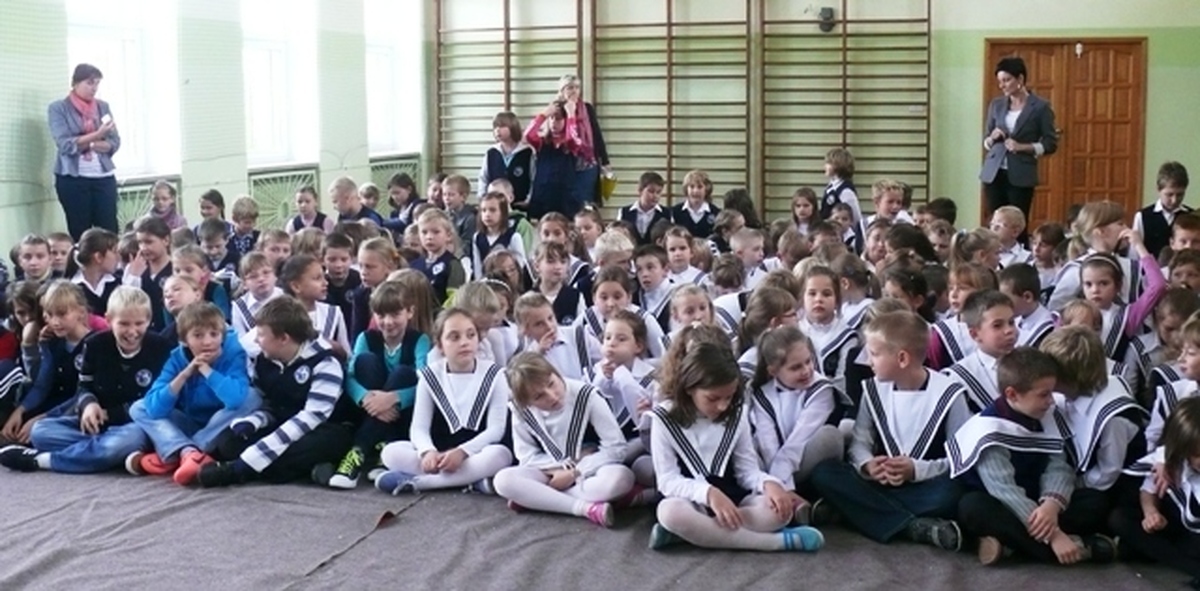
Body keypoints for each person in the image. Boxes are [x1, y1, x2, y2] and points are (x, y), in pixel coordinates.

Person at [808, 311, 970, 552]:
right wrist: (868, 465)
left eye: (874, 354)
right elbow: (860, 442)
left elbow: (960, 460)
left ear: (902, 358)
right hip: (879, 482)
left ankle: (853, 511)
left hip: (925, 484)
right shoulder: (873, 389)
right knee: (824, 473)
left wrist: (915, 470)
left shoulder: (950, 394)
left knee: (953, 493)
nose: (868, 361)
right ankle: (912, 527)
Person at [649, 334, 824, 551]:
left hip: (735, 500)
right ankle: (775, 543)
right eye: (713, 398)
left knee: (778, 512)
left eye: (729, 397)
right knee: (670, 512)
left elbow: (747, 471)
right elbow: (667, 480)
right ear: (689, 389)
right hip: (688, 501)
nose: (723, 406)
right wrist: (708, 493)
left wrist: (769, 483)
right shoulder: (664, 418)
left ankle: (694, 533)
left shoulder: (736, 414)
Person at [952, 347, 1116, 566]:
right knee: (972, 507)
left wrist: (1051, 505)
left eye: (1051, 392)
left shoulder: (1045, 414)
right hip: (1006, 504)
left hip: (1041, 501)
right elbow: (1005, 491)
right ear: (1012, 394)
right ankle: (1080, 548)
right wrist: (1055, 535)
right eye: (1043, 394)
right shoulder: (989, 429)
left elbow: (1059, 466)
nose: (1051, 401)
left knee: (1095, 501)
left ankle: (1010, 545)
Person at [0, 287, 172, 474]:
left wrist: (109, 414)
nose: (132, 331)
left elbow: (155, 400)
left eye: (139, 323)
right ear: (108, 320)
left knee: (130, 439)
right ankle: (108, 455)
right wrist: (89, 404)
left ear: (149, 320)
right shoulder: (95, 344)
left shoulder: (161, 348)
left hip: (133, 424)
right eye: (123, 324)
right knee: (40, 431)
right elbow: (84, 386)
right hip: (94, 424)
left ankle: (42, 460)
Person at [197, 296, 353, 487]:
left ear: (283, 339)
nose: (256, 340)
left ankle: (244, 471)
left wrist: (243, 465)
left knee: (318, 445)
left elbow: (311, 418)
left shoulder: (326, 364)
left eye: (261, 334)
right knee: (229, 442)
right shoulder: (264, 361)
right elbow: (269, 406)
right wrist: (255, 421)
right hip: (283, 423)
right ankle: (305, 469)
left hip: (322, 428)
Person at [374, 308, 513, 494]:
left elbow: (496, 429)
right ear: (440, 345)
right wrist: (428, 452)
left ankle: (421, 483)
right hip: (440, 452)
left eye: (470, 335)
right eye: (454, 337)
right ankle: (472, 481)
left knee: (500, 455)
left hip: (476, 452)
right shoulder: (430, 376)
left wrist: (462, 452)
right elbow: (419, 428)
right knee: (390, 452)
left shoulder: (494, 375)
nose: (464, 342)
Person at [493, 352, 634, 527]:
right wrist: (558, 469)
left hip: (592, 470)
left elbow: (616, 447)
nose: (552, 396)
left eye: (551, 384)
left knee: (621, 478)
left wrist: (576, 471)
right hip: (551, 471)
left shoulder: (585, 395)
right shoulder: (520, 410)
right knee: (503, 480)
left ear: (556, 373)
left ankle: (538, 499)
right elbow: (526, 456)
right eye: (539, 396)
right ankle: (585, 508)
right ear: (527, 402)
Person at [127, 302, 257, 486]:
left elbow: (235, 399)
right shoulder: (176, 358)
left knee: (252, 397)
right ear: (184, 340)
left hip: (220, 425)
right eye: (198, 335)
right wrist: (185, 373)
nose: (207, 342)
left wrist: (207, 371)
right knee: (139, 407)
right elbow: (155, 409)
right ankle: (189, 452)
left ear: (222, 335)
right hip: (189, 423)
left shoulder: (233, 351)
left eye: (214, 334)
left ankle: (185, 451)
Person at [1112, 397, 1200, 585]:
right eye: (1197, 455)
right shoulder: (1171, 461)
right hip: (1179, 527)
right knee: (1121, 519)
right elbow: (1149, 488)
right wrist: (1151, 512)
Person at [979, 56, 1059, 226]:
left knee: (1017, 223)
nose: (1002, 85)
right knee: (995, 223)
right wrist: (992, 138)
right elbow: (986, 142)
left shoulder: (1040, 107)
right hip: (994, 172)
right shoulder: (996, 104)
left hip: (1021, 174)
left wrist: (1023, 147)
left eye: (1006, 80)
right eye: (1000, 81)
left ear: (1020, 79)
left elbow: (1051, 144)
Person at [47, 63, 120, 240]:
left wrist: (94, 144)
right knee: (81, 232)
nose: (94, 88)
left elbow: (114, 141)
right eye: (89, 83)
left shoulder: (103, 107)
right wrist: (97, 135)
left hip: (103, 177)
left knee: (109, 231)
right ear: (75, 83)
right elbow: (65, 144)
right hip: (73, 179)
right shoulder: (58, 108)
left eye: (97, 83)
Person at [557, 74, 610, 207]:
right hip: (565, 165)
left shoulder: (587, 108)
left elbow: (596, 135)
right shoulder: (557, 109)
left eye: (577, 87)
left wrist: (605, 161)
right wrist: (570, 113)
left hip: (587, 164)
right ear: (562, 91)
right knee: (566, 206)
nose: (574, 91)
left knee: (585, 205)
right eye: (570, 88)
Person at [1133, 161, 1191, 259]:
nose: (1174, 200)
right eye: (1169, 194)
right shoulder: (1143, 216)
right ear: (1158, 189)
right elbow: (1135, 254)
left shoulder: (1191, 216)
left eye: (1180, 195)